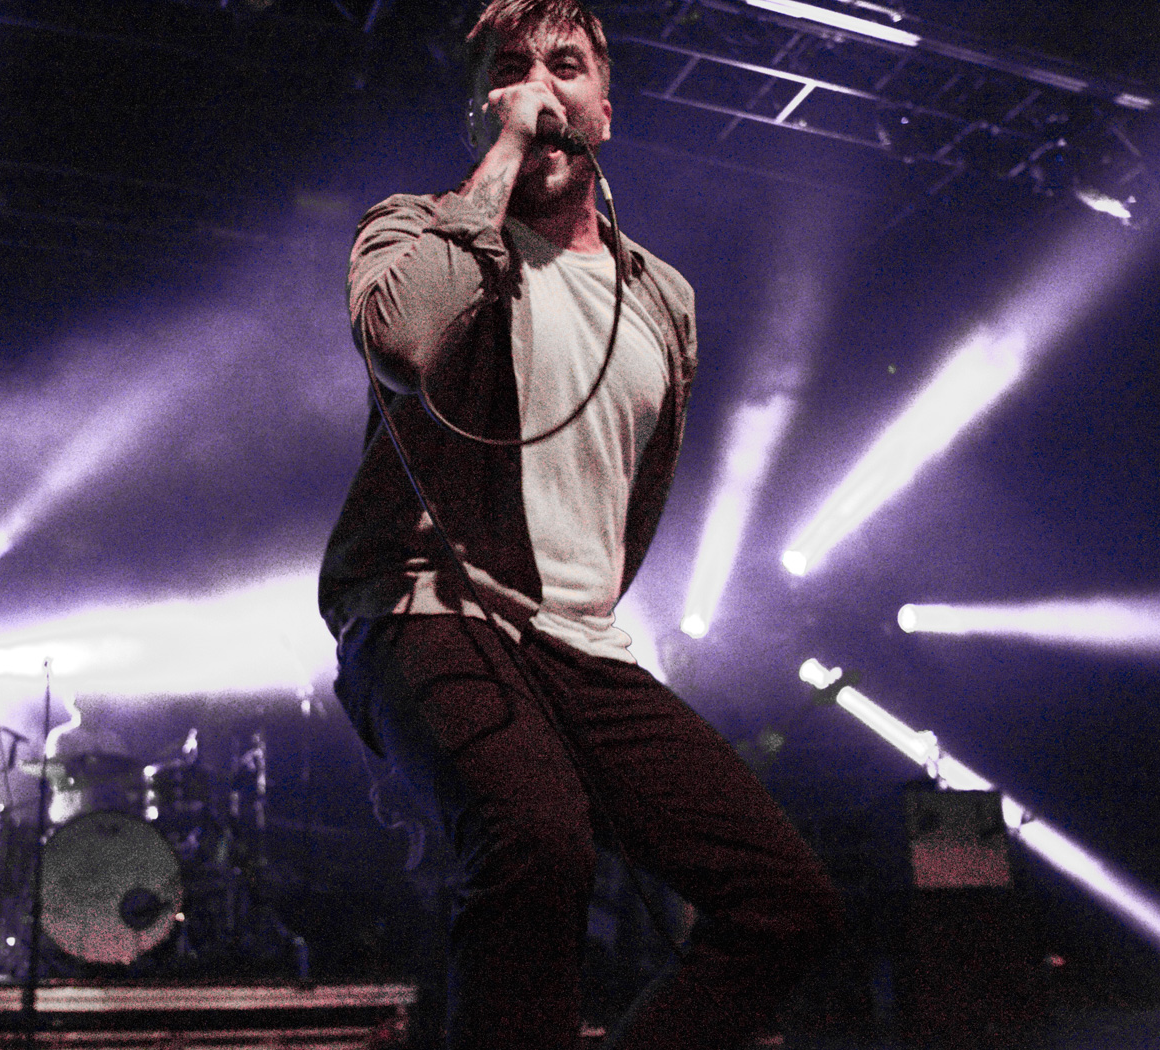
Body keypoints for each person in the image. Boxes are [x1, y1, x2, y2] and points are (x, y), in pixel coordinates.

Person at [318, 0, 843, 1046]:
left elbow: (630, 490)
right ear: (478, 110)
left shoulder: (662, 297)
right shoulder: (413, 229)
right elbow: (406, 342)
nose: (539, 88)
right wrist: (503, 159)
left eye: (565, 67)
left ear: (606, 109)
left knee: (786, 904)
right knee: (536, 840)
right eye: (508, 70)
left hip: (580, 644)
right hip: (426, 606)